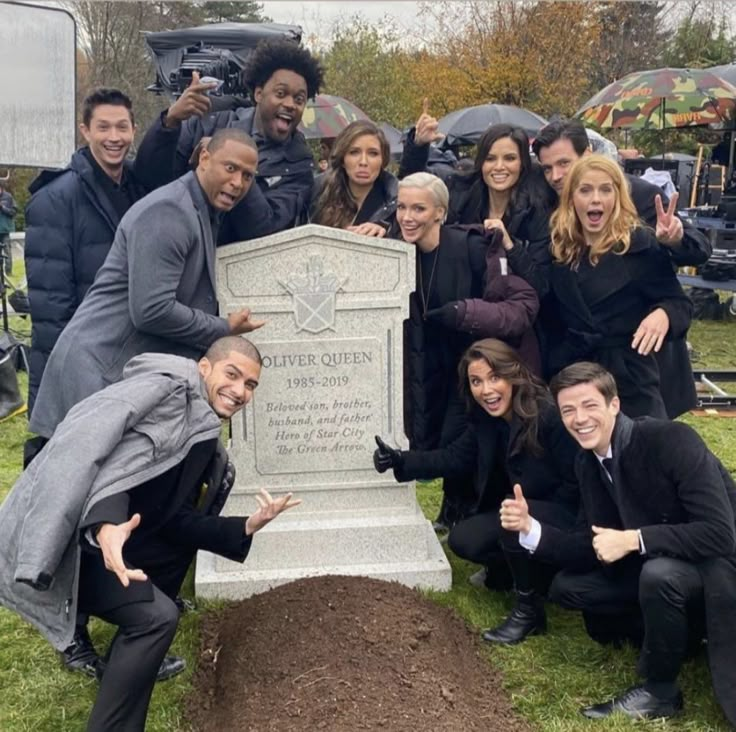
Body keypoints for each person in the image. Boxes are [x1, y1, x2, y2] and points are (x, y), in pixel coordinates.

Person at [0, 335, 301, 731]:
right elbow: (100, 456)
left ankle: (125, 684)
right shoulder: (160, 394)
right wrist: (106, 526)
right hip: (73, 547)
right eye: (233, 374)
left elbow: (173, 518)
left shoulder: (202, 433)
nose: (240, 391)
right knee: (156, 617)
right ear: (204, 367)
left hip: (120, 545)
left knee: (156, 617)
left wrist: (245, 526)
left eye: (250, 384)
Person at [500, 361, 736, 724]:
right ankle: (683, 637)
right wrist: (531, 529)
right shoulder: (587, 461)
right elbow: (591, 541)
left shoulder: (670, 438)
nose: (579, 419)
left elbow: (720, 533)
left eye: (589, 405)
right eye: (568, 410)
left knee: (659, 576)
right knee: (570, 589)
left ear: (614, 405)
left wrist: (634, 539)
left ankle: (660, 691)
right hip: (662, 560)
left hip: (719, 563)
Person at [29, 127, 265, 442]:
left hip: (116, 374)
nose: (238, 183)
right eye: (231, 168)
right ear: (205, 158)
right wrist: (223, 328)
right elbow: (152, 311)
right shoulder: (169, 212)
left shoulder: (201, 209)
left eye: (248, 176)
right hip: (97, 372)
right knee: (69, 485)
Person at [374, 338, 579, 643]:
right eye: (476, 381)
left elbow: (576, 484)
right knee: (464, 539)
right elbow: (455, 456)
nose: (486, 390)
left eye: (494, 378)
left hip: (567, 513)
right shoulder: (487, 420)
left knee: (511, 511)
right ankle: (520, 573)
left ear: (514, 374)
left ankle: (529, 611)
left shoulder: (548, 415)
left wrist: (537, 519)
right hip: (521, 509)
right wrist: (401, 460)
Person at [533, 118, 711, 416]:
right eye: (548, 168)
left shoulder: (640, 224)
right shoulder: (558, 243)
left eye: (564, 163)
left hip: (635, 373)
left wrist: (674, 241)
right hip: (576, 374)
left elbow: (679, 291)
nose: (556, 175)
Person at [396, 173, 540, 526]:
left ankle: (476, 515)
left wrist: (467, 313)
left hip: (478, 361)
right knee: (443, 438)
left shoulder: (472, 247)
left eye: (419, 208)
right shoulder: (394, 251)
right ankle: (453, 510)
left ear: (439, 212)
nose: (407, 217)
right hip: (430, 363)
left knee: (471, 438)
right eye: (401, 207)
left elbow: (521, 302)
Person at [24, 89, 149, 416]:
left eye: (122, 127)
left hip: (127, 351)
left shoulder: (141, 188)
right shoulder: (55, 198)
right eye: (103, 127)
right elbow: (51, 305)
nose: (114, 137)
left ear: (134, 131)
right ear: (85, 131)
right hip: (78, 359)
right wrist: (72, 372)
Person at [136, 38, 324, 242]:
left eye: (299, 99)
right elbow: (149, 181)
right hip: (183, 252)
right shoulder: (208, 123)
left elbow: (263, 229)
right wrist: (169, 123)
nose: (290, 104)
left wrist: (232, 162)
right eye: (280, 93)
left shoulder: (299, 166)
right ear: (259, 93)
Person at [399, 103, 552, 282]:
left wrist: (509, 246)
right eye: (490, 159)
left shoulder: (538, 209)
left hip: (508, 305)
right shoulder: (461, 191)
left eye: (509, 158)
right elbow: (412, 186)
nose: (499, 167)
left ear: (522, 163)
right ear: (481, 163)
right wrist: (418, 146)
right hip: (460, 299)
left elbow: (540, 283)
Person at [307, 120, 397, 237]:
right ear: (343, 158)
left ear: (383, 160)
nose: (363, 162)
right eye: (354, 152)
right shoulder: (317, 193)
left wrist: (386, 232)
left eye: (373, 153)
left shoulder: (396, 201)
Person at [0, 182, 17, 272]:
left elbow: (13, 212)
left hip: (5, 230)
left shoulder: (8, 197)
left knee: (7, 252)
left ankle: (8, 271)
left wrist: (3, 207)